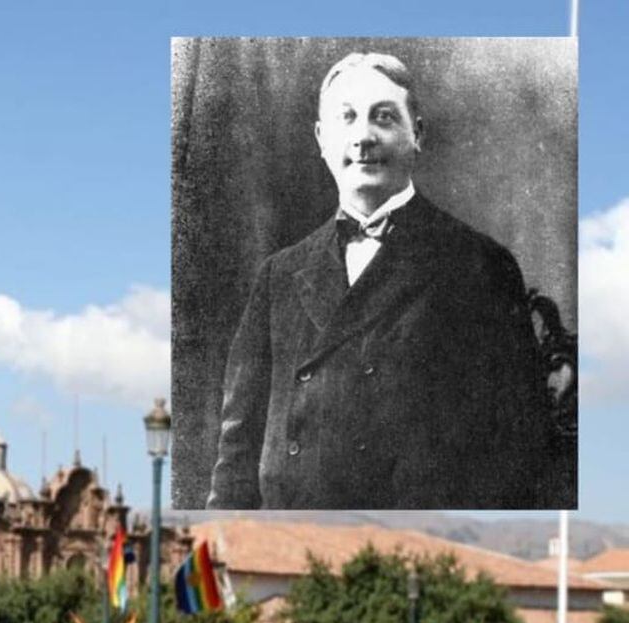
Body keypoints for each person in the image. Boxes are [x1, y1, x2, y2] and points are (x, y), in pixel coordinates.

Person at [207, 52, 552, 509]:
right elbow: (238, 446)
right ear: (321, 139)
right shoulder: (280, 274)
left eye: (384, 117)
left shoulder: (479, 265)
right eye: (346, 118)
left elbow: (517, 445)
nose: (363, 137)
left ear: (418, 134)